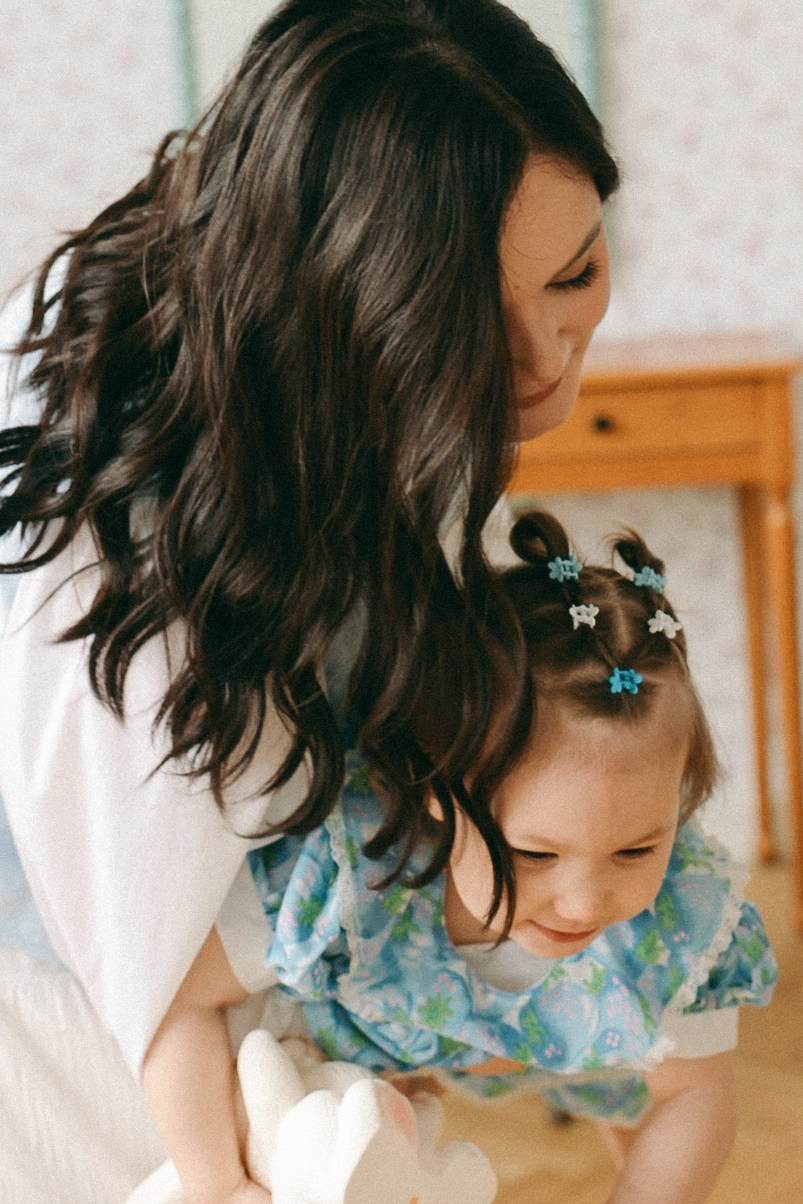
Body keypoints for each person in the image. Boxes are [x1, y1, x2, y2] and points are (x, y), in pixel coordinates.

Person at [0, 1, 619, 1200]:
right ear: (349, 306)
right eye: (465, 331)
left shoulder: (340, 382)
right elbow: (153, 949)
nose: (546, 365)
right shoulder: (130, 531)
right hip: (73, 1010)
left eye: (577, 271)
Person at [224, 510, 776, 1204]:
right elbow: (179, 1010)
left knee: (656, 1145)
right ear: (434, 791)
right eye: (533, 853)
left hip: (584, 1026)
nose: (583, 903)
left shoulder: (675, 922)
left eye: (637, 848)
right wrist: (218, 1183)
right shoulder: (348, 874)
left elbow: (696, 1098)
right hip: (377, 1036)